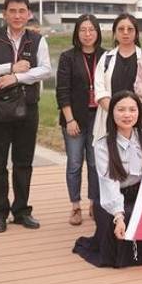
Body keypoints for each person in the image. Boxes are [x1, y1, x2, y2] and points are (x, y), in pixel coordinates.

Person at [0, 0, 51, 233]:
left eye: (22, 11)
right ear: (4, 14)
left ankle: (21, 211)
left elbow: (46, 70)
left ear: (29, 14)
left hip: (28, 108)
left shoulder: (37, 40)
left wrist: (16, 77)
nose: (18, 16)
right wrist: (9, 67)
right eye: (13, 11)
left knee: (23, 162)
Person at [73, 91, 142, 268]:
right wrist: (118, 215)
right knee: (123, 218)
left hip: (139, 194)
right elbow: (109, 183)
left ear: (139, 112)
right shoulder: (102, 145)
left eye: (132, 109)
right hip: (112, 197)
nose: (127, 115)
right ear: (112, 112)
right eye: (121, 110)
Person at [56, 14, 105, 226]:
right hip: (74, 118)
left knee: (95, 163)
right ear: (77, 33)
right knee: (75, 163)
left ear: (97, 32)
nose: (87, 34)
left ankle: (94, 203)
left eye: (91, 29)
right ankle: (75, 206)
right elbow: (62, 91)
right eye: (83, 30)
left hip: (99, 118)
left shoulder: (106, 56)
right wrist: (69, 120)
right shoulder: (68, 57)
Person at [92, 14, 142, 142]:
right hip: (109, 117)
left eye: (130, 29)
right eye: (121, 29)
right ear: (114, 33)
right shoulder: (106, 58)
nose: (125, 32)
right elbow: (100, 90)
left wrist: (129, 114)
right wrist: (117, 113)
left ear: (136, 33)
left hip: (137, 120)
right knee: (108, 152)